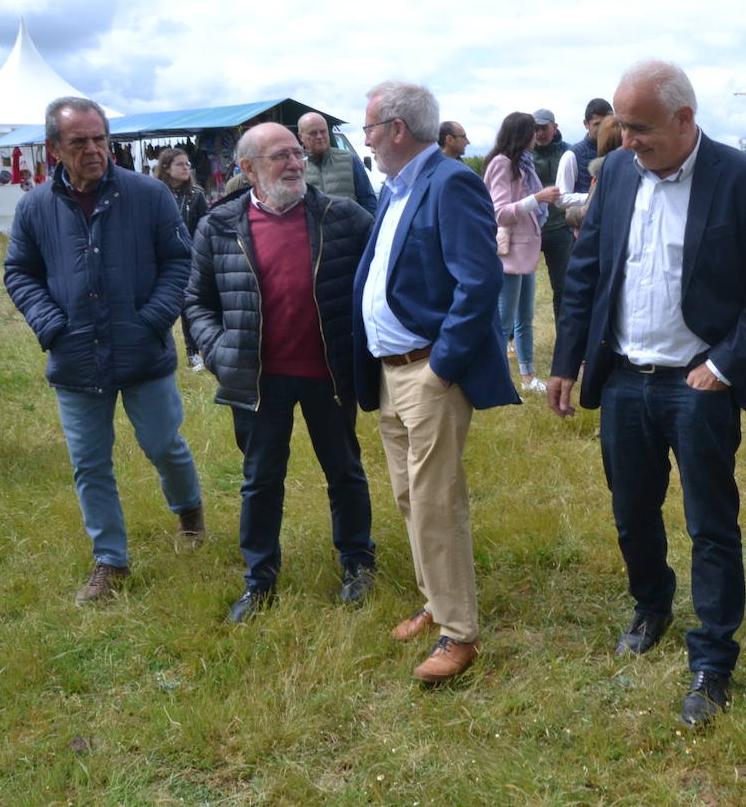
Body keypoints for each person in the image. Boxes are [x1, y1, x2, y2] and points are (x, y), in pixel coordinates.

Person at [548, 58, 746, 729]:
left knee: (710, 523)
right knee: (631, 512)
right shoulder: (619, 173)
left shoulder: (743, 178)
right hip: (624, 379)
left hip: (698, 383)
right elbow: (588, 269)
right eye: (622, 127)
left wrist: (726, 363)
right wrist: (568, 358)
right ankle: (651, 603)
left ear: (686, 120)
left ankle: (712, 657)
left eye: (640, 128)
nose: (626, 141)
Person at [3, 97, 205, 603]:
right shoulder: (34, 207)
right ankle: (110, 562)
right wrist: (51, 325)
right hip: (74, 356)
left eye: (100, 139)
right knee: (90, 462)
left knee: (164, 444)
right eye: (79, 142)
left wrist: (152, 320)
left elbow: (179, 263)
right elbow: (19, 272)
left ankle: (190, 512)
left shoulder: (148, 194)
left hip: (142, 350)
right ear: (54, 148)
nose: (94, 150)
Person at [353, 80, 519, 683]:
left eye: (369, 129)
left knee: (435, 502)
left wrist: (441, 369)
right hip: (390, 371)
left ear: (397, 129)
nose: (366, 140)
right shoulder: (396, 190)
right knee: (409, 497)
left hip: (429, 372)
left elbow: (479, 284)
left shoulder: (450, 182)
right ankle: (436, 600)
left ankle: (459, 632)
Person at [184, 123, 378, 624]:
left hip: (329, 374)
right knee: (260, 481)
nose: (294, 163)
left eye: (296, 153)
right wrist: (221, 353)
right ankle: (259, 580)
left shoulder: (343, 216)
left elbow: (381, 279)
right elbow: (196, 302)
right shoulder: (220, 225)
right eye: (279, 156)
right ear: (246, 169)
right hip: (255, 381)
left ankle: (358, 564)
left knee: (345, 472)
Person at [483, 112, 562, 394]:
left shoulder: (523, 164)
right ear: (521, 134)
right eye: (532, 131)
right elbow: (500, 213)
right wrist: (537, 199)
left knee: (524, 318)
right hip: (509, 253)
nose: (536, 136)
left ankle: (528, 378)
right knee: (503, 324)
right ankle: (495, 381)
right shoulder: (502, 165)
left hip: (526, 250)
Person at [155, 147, 209, 370]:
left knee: (189, 307)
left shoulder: (196, 194)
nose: (187, 167)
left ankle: (193, 353)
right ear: (166, 168)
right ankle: (158, 351)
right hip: (161, 260)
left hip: (189, 259)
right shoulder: (156, 192)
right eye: (180, 164)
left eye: (188, 164)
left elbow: (203, 227)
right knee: (162, 305)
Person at [532, 108, 573, 324]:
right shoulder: (525, 154)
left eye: (544, 128)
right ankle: (510, 340)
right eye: (535, 128)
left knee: (563, 287)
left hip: (559, 228)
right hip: (530, 229)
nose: (540, 133)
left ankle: (564, 338)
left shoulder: (568, 152)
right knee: (518, 290)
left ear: (554, 127)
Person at [297, 111, 379, 216]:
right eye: (313, 133)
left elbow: (369, 202)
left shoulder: (349, 159)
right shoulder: (297, 168)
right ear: (301, 137)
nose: (319, 136)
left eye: (323, 131)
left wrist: (366, 228)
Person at [569, 97, 613, 193]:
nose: (603, 128)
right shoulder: (572, 155)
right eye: (597, 124)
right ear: (586, 124)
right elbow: (562, 197)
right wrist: (593, 198)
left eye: (607, 123)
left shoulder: (623, 151)